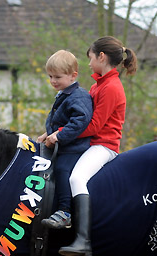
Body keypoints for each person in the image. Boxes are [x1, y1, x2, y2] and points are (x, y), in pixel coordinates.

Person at [57, 36, 137, 256]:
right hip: (90, 143)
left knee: (77, 179)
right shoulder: (98, 85)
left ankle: (83, 240)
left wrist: (62, 134)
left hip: (104, 145)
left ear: (101, 57)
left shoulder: (111, 87)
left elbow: (93, 126)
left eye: (91, 58)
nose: (89, 64)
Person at [37, 50, 93, 229]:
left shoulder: (79, 96)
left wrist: (58, 136)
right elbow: (60, 120)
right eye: (50, 76)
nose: (53, 81)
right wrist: (48, 133)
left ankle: (65, 211)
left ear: (73, 75)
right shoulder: (63, 93)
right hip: (61, 145)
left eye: (57, 77)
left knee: (62, 170)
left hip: (74, 148)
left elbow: (79, 122)